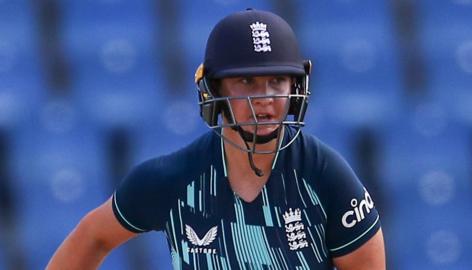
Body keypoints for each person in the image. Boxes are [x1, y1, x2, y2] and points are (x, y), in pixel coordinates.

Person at [47, 9, 385, 270]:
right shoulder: (174, 180)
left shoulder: (326, 177)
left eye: (278, 80)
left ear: (296, 88)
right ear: (213, 90)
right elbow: (93, 236)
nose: (265, 98)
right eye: (246, 83)